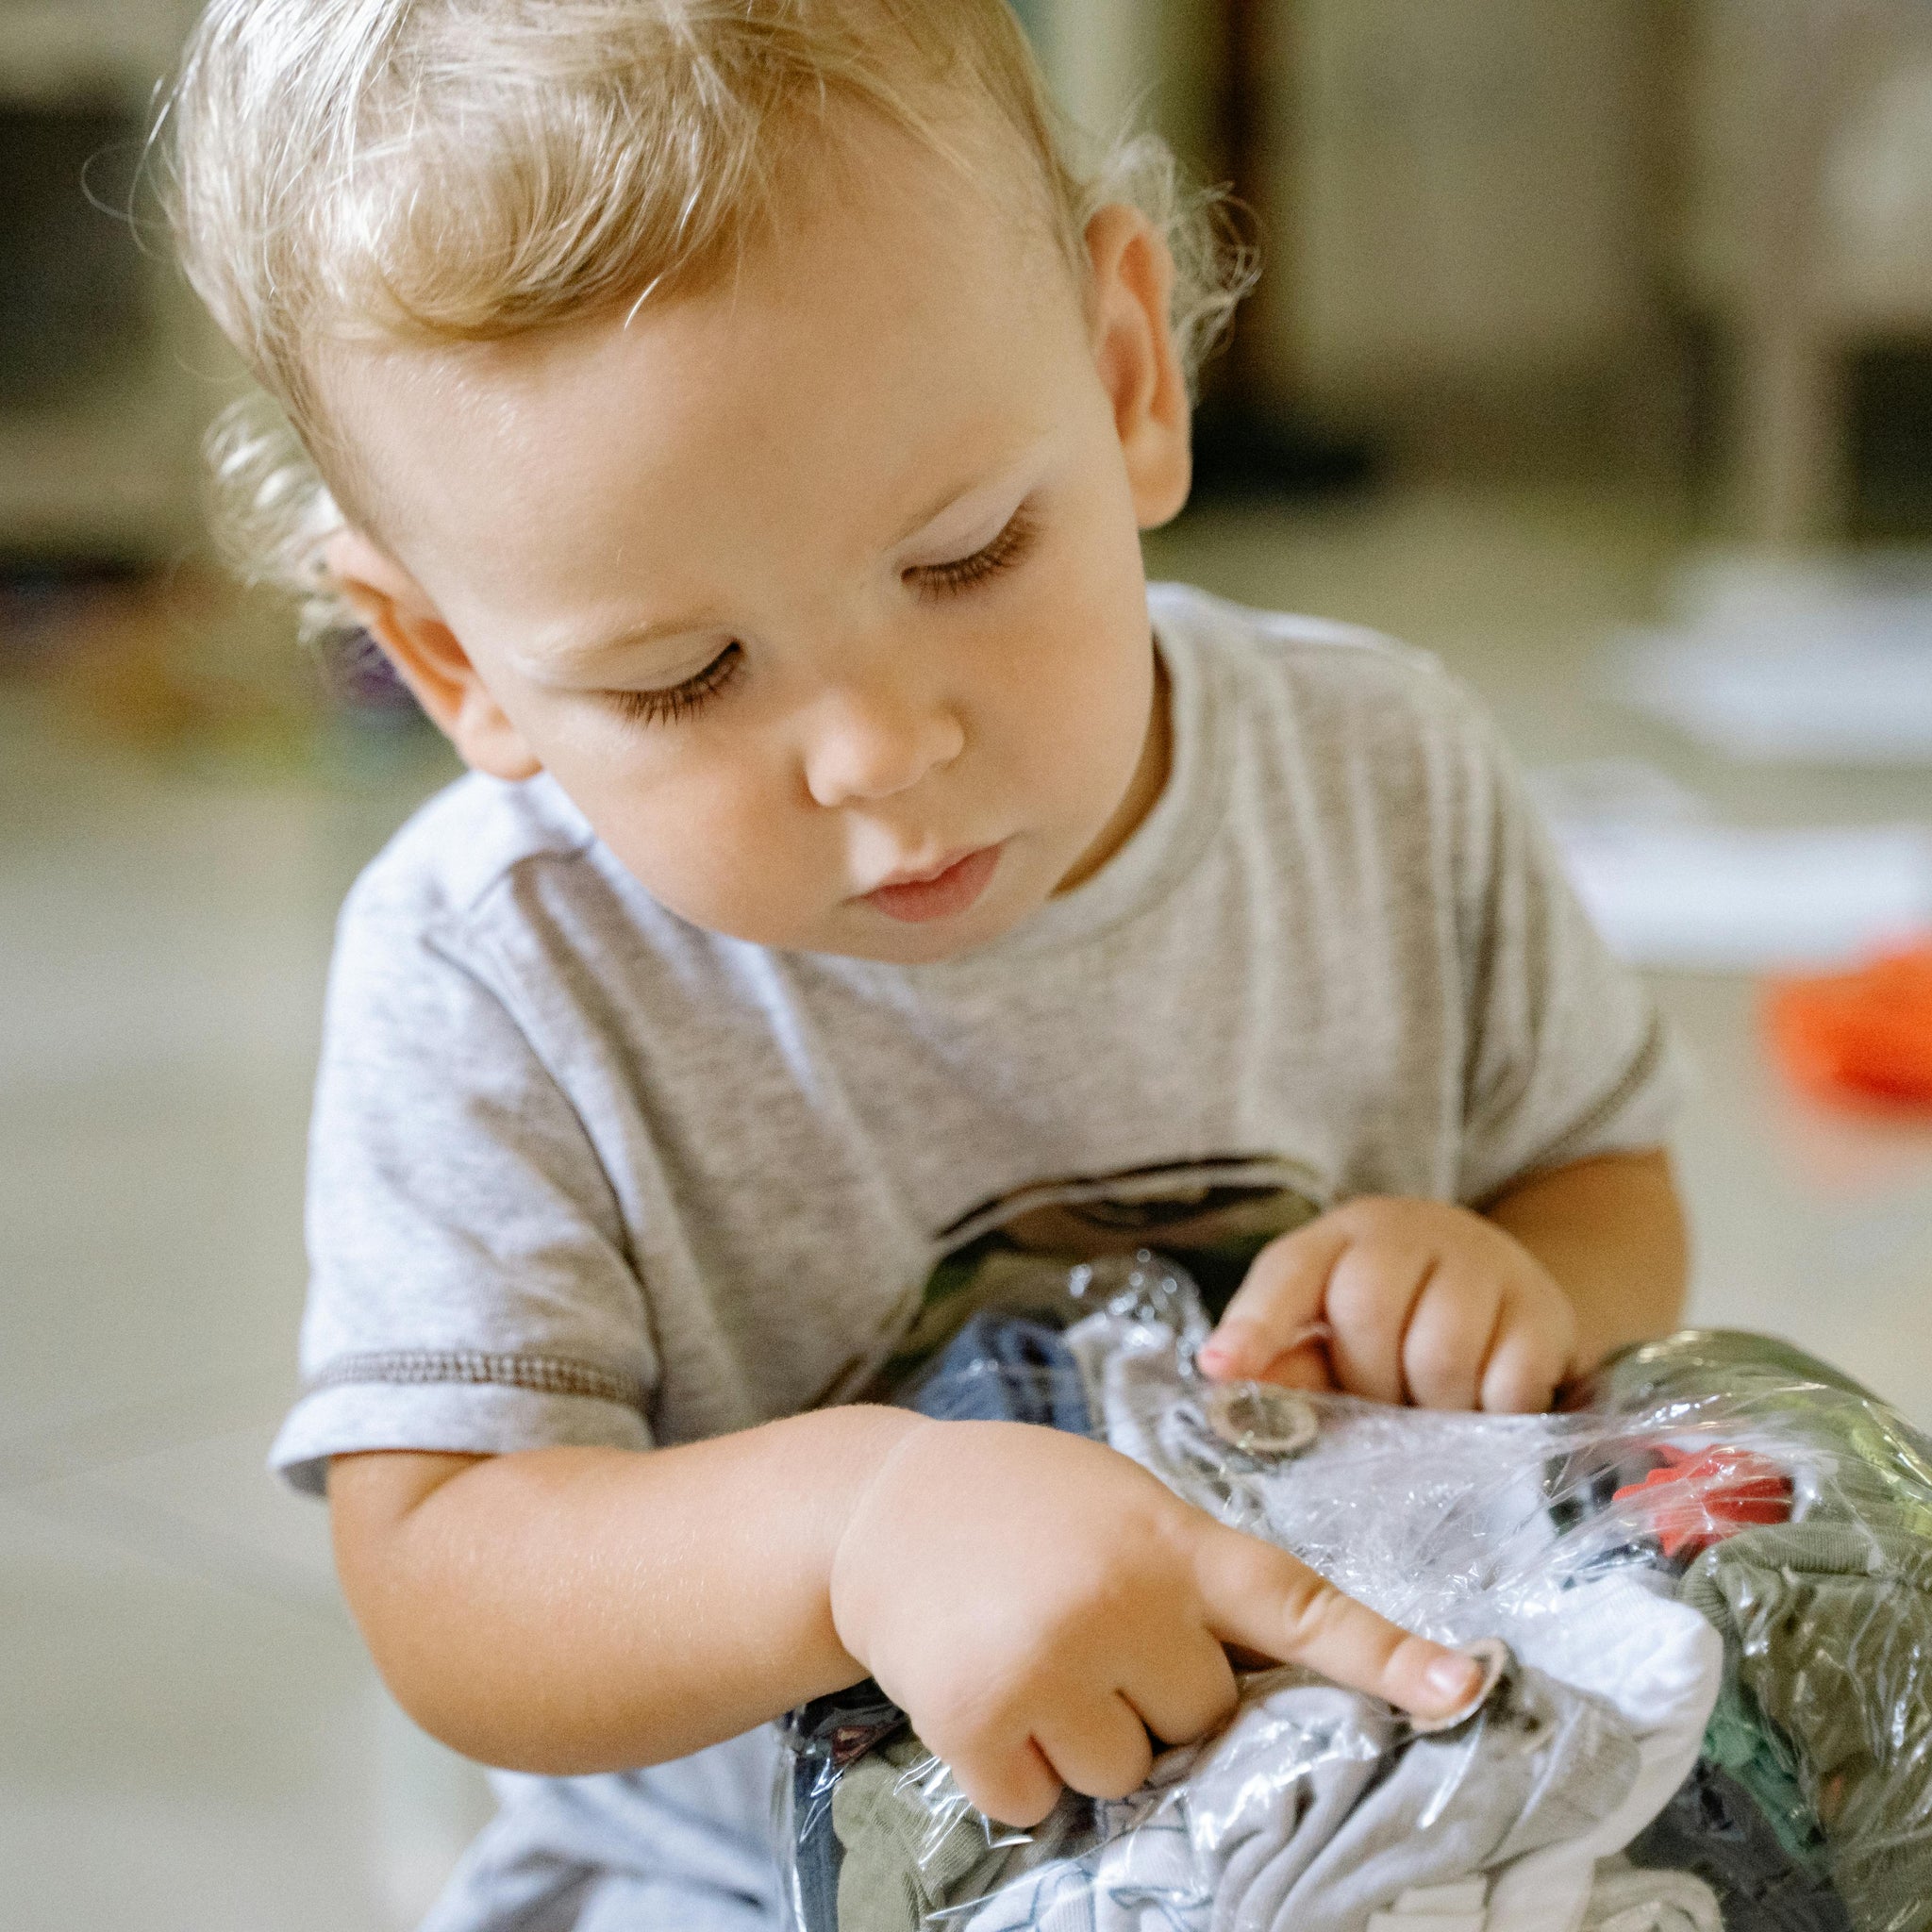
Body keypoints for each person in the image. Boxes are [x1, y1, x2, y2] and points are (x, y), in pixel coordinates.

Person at [162, 2, 1690, 1924]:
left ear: (1128, 372)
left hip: (1372, 1800)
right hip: (737, 1882)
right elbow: (448, 1572)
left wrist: (1511, 1279)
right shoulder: (493, 968)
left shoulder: (1380, 773)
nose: (879, 749)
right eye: (683, 676)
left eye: (964, 555)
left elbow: (1605, 1185)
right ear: (454, 662)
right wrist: (848, 1529)